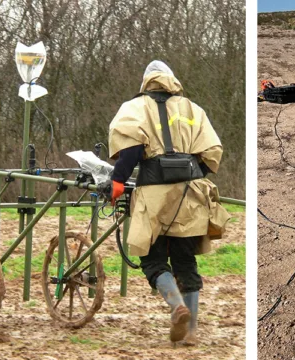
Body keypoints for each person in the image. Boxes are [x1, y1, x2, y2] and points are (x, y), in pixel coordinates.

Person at [103, 60, 229, 346]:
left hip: (154, 195)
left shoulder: (134, 108)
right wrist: (192, 176)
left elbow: (131, 151)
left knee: (153, 258)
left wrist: (118, 181)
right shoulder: (192, 109)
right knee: (186, 260)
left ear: (146, 82)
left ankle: (176, 306)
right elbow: (211, 153)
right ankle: (192, 332)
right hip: (191, 194)